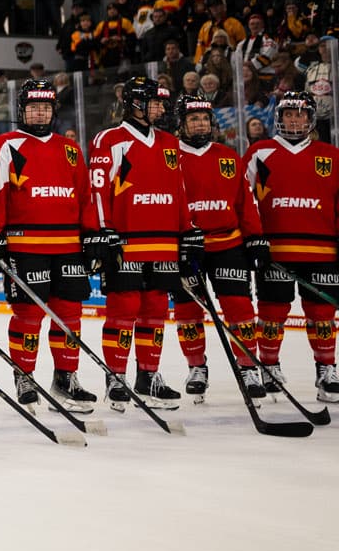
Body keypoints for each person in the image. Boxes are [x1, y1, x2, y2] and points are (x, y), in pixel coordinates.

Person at [0, 78, 101, 411]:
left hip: (67, 245)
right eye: (33, 107)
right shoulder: (5, 144)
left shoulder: (69, 148)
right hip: (26, 244)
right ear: (22, 110)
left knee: (70, 315)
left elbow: (85, 197)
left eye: (46, 106)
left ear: (53, 109)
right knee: (28, 314)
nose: (40, 112)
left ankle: (66, 378)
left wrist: (92, 233)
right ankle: (25, 376)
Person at [89, 78, 193, 410]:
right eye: (154, 103)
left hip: (163, 241)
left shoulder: (169, 142)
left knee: (155, 311)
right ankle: (116, 377)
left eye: (162, 103)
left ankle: (149, 375)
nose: (161, 109)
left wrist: (187, 230)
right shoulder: (110, 140)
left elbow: (179, 190)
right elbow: (98, 191)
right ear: (135, 104)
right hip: (126, 241)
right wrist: (104, 230)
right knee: (124, 309)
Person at [245, 91, 339, 402]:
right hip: (275, 249)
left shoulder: (331, 155)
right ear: (280, 117)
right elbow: (244, 199)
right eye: (288, 114)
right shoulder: (261, 152)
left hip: (323, 249)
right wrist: (253, 237)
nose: (294, 119)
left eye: (300, 114)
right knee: (272, 312)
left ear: (310, 118)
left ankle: (326, 370)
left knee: (322, 312)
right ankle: (269, 367)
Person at [170, 96, 266, 401]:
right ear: (181, 124)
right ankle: (196, 367)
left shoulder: (227, 155)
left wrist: (256, 238)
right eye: (193, 118)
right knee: (187, 311)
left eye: (204, 118)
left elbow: (245, 202)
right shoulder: (169, 156)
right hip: (187, 246)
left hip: (228, 243)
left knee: (240, 309)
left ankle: (249, 367)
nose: (200, 123)